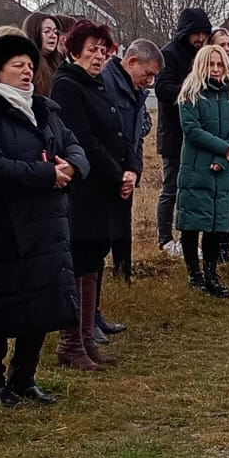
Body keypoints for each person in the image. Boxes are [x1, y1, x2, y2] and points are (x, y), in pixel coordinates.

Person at [0, 35, 83, 404]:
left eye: (30, 65)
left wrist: (74, 166)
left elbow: (72, 145)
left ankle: (25, 377)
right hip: (5, 225)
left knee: (42, 304)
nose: (27, 71)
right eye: (17, 64)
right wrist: (47, 175)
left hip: (48, 225)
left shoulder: (44, 109)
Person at [49, 21, 136, 371]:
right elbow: (83, 139)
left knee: (93, 263)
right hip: (86, 190)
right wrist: (117, 176)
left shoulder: (96, 84)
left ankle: (86, 340)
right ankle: (71, 344)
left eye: (104, 50)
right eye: (93, 49)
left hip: (106, 189)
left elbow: (119, 132)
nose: (99, 55)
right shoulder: (67, 87)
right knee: (81, 262)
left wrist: (129, 170)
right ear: (74, 50)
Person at [98, 39, 161, 335]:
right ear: (132, 61)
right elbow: (105, 136)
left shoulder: (135, 91)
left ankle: (95, 314)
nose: (150, 81)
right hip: (104, 176)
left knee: (116, 234)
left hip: (125, 174)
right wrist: (117, 173)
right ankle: (88, 318)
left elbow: (136, 135)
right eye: (147, 73)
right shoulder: (106, 84)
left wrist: (134, 171)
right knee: (95, 246)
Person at [176, 43, 229, 297]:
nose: (215, 69)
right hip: (196, 168)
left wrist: (224, 155)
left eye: (219, 64)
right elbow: (192, 130)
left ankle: (211, 275)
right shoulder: (190, 94)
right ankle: (195, 275)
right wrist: (224, 149)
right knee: (192, 223)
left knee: (217, 225)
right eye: (211, 64)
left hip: (223, 167)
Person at [155, 8, 214, 254]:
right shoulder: (168, 54)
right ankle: (165, 238)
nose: (200, 38)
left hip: (198, 135)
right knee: (171, 187)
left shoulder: (204, 54)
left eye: (204, 33)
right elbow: (163, 89)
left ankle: (187, 238)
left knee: (192, 188)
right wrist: (193, 89)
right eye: (195, 33)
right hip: (174, 133)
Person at [23, 10, 68, 97]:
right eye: (47, 31)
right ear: (34, 33)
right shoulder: (29, 67)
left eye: (55, 32)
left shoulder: (61, 64)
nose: (53, 36)